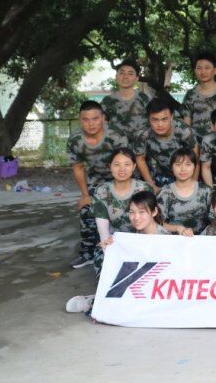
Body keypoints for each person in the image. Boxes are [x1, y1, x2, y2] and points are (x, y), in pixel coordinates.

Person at [65, 190, 167, 314]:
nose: (136, 217)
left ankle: (96, 302)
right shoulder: (139, 231)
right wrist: (113, 246)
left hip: (155, 287)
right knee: (102, 253)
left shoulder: (164, 239)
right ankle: (101, 298)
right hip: (140, 284)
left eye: (142, 212)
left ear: (154, 212)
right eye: (132, 212)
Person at [67, 100, 130, 269]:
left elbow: (126, 163)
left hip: (121, 177)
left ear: (103, 118)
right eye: (86, 119)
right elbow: (78, 168)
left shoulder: (116, 136)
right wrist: (85, 195)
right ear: (80, 120)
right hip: (96, 180)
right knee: (87, 208)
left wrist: (120, 189)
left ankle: (127, 248)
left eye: (95, 118)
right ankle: (87, 253)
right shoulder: (75, 140)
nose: (91, 124)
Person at [91, 148, 152, 273]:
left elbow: (151, 225)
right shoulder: (101, 191)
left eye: (127, 164)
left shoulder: (144, 188)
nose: (122, 169)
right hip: (114, 243)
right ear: (110, 166)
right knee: (107, 272)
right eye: (117, 164)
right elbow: (103, 231)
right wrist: (111, 256)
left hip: (141, 242)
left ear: (134, 166)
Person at [134, 97, 198, 189]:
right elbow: (140, 159)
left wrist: (192, 184)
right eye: (155, 120)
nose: (160, 124)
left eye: (164, 119)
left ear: (171, 117)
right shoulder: (143, 134)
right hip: (156, 175)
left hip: (183, 173)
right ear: (148, 119)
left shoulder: (184, 131)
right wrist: (152, 186)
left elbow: (195, 159)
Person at [180, 52, 216, 142]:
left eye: (207, 68)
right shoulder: (190, 95)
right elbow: (186, 122)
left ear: (215, 70)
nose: (203, 72)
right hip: (197, 143)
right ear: (195, 71)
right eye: (199, 68)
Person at [157, 148, 211, 236]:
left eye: (188, 164)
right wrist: (178, 228)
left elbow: (214, 220)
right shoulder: (164, 193)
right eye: (178, 165)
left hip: (202, 240)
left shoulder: (205, 191)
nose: (183, 169)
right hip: (173, 240)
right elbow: (158, 223)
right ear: (171, 167)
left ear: (195, 166)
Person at [99, 59, 152, 141]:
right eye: (122, 73)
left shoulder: (145, 99)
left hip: (142, 146)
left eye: (130, 74)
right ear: (116, 76)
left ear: (137, 78)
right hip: (115, 146)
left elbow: (154, 124)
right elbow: (100, 126)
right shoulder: (107, 101)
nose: (125, 77)